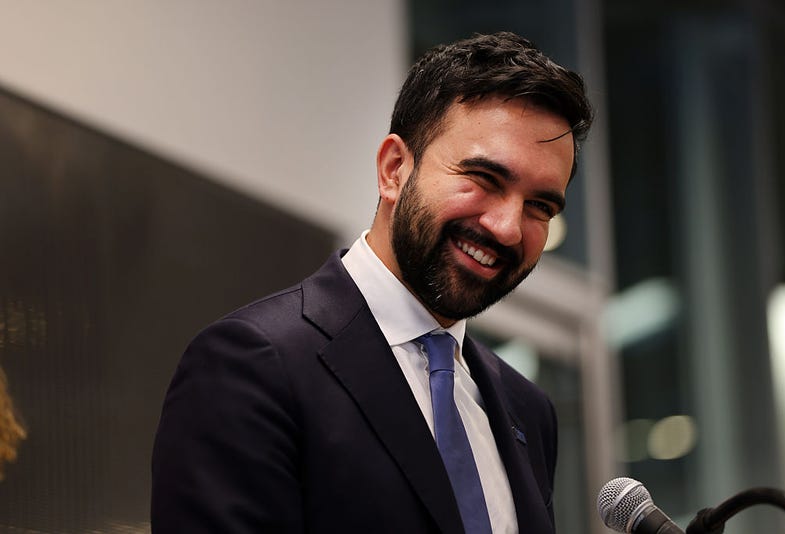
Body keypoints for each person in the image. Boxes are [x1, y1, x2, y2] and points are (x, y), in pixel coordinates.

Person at [151, 31, 593, 534]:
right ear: (394, 170)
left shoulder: (527, 412)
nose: (508, 227)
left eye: (540, 206)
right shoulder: (256, 366)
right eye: (485, 179)